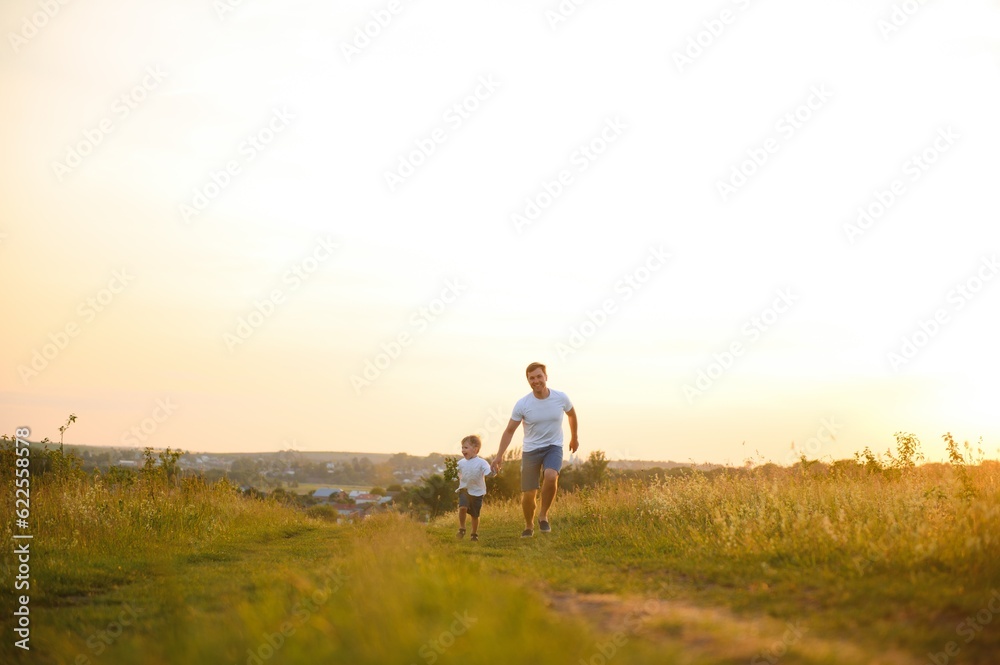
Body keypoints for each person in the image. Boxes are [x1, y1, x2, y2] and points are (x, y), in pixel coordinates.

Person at [491, 362, 578, 537]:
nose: (536, 380)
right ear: (528, 381)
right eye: (532, 378)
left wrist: (574, 437)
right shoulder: (523, 404)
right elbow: (509, 431)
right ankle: (529, 524)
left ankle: (543, 515)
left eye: (539, 376)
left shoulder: (561, 397)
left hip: (553, 446)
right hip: (531, 451)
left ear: (546, 377)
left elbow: (572, 415)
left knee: (551, 475)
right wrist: (499, 455)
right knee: (529, 495)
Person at [456, 434, 492, 542]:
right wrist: (452, 475)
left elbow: (489, 472)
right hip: (464, 489)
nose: (463, 450)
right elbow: (455, 474)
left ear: (475, 449)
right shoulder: (460, 463)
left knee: (475, 515)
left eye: (466, 447)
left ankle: (474, 534)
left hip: (477, 492)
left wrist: (494, 471)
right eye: (462, 447)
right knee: (462, 508)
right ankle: (462, 528)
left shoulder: (482, 462)